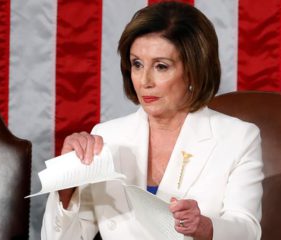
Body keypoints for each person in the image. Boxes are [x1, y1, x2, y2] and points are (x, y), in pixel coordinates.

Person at [42, 2, 263, 240]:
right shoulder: (106, 136)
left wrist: (204, 227)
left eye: (161, 66)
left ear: (194, 71)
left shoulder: (238, 137)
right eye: (137, 64)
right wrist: (67, 184)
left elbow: (247, 230)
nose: (144, 80)